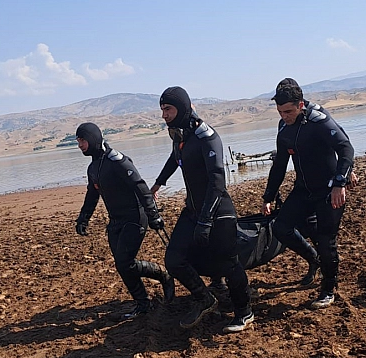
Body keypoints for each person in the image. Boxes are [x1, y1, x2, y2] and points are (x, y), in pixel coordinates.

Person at [150, 86, 253, 333]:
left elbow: (218, 180)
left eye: (168, 109)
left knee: (229, 264)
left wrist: (206, 220)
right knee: (174, 259)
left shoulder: (207, 137)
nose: (164, 114)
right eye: (162, 109)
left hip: (218, 210)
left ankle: (244, 312)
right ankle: (204, 298)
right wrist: (158, 184)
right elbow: (175, 158)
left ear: (183, 108)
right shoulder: (181, 135)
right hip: (194, 210)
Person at [261, 78, 354, 309]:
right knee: (281, 227)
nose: (284, 116)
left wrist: (340, 182)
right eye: (280, 112)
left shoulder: (319, 121)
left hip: (328, 188)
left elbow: (345, 148)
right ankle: (314, 260)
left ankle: (328, 289)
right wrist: (268, 196)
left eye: (289, 111)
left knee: (326, 239)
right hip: (303, 188)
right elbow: (280, 163)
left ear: (300, 104)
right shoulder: (283, 127)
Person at [74, 122, 175, 321]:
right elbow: (92, 195)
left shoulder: (117, 160)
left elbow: (140, 187)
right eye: (78, 141)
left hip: (135, 217)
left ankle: (163, 276)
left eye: (83, 140)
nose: (80, 145)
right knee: (123, 265)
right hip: (116, 221)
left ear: (93, 138)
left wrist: (153, 215)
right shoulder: (93, 167)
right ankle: (143, 303)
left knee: (124, 261)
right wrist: (83, 218)